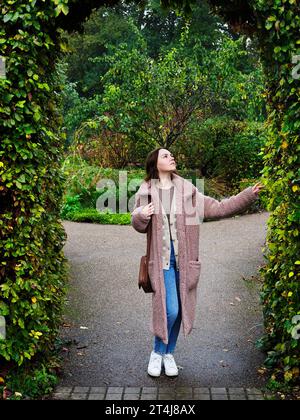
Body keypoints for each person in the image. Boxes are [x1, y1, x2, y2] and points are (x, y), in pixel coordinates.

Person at [131, 147, 264, 378]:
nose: (171, 157)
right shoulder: (146, 193)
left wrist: (248, 195)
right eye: (165, 155)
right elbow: (139, 225)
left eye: (172, 154)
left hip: (184, 262)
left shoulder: (187, 192)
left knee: (181, 309)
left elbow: (220, 207)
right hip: (161, 263)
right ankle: (156, 352)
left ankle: (168, 354)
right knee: (169, 310)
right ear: (155, 163)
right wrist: (141, 213)